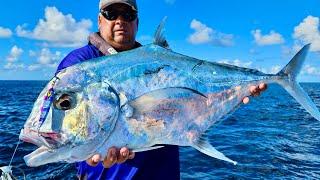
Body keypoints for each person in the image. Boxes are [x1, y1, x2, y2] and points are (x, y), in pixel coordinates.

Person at [55, 0, 267, 179]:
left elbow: (192, 102)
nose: (120, 20)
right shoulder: (80, 65)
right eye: (111, 13)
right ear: (100, 20)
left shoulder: (159, 63)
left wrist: (239, 91)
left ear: (137, 22)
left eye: (127, 14)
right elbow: (66, 120)